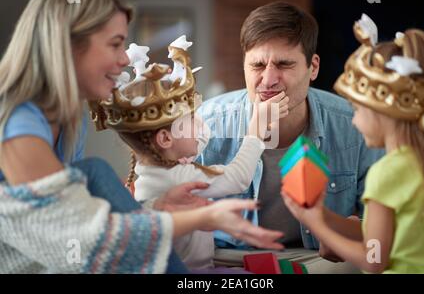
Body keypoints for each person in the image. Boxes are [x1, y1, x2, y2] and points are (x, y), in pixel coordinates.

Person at [0, 0, 284, 274]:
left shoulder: (70, 119)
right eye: (115, 44)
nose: (124, 59)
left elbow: (77, 220)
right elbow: (86, 239)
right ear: (69, 44)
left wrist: (157, 209)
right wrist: (205, 218)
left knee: (95, 170)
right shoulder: (18, 127)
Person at [197, 1, 384, 259]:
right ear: (244, 66)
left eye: (284, 64)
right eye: (258, 66)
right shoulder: (206, 123)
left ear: (313, 67)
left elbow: (380, 228)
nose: (269, 80)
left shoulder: (355, 124)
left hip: (317, 256)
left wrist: (353, 229)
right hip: (226, 254)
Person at [92, 39, 289, 269]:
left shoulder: (159, 164)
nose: (201, 124)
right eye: (192, 120)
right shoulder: (180, 176)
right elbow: (239, 177)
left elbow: (198, 137)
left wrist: (190, 116)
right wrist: (256, 129)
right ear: (165, 139)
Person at [282, 14, 424, 273]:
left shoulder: (386, 172)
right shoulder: (422, 163)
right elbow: (386, 233)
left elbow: (373, 259)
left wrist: (313, 223)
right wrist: (323, 217)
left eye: (358, 110)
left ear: (382, 111)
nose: (354, 121)